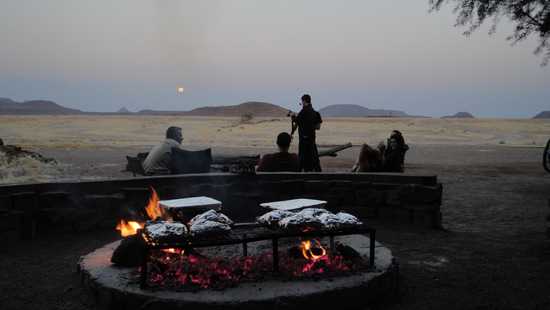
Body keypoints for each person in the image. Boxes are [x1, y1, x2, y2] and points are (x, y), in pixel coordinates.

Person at [291, 94, 323, 172]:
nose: (301, 103)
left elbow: (297, 121)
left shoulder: (302, 112)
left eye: (302, 101)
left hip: (303, 141)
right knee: (315, 159)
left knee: (301, 159)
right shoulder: (316, 113)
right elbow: (318, 127)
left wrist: (293, 117)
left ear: (304, 101)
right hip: (312, 140)